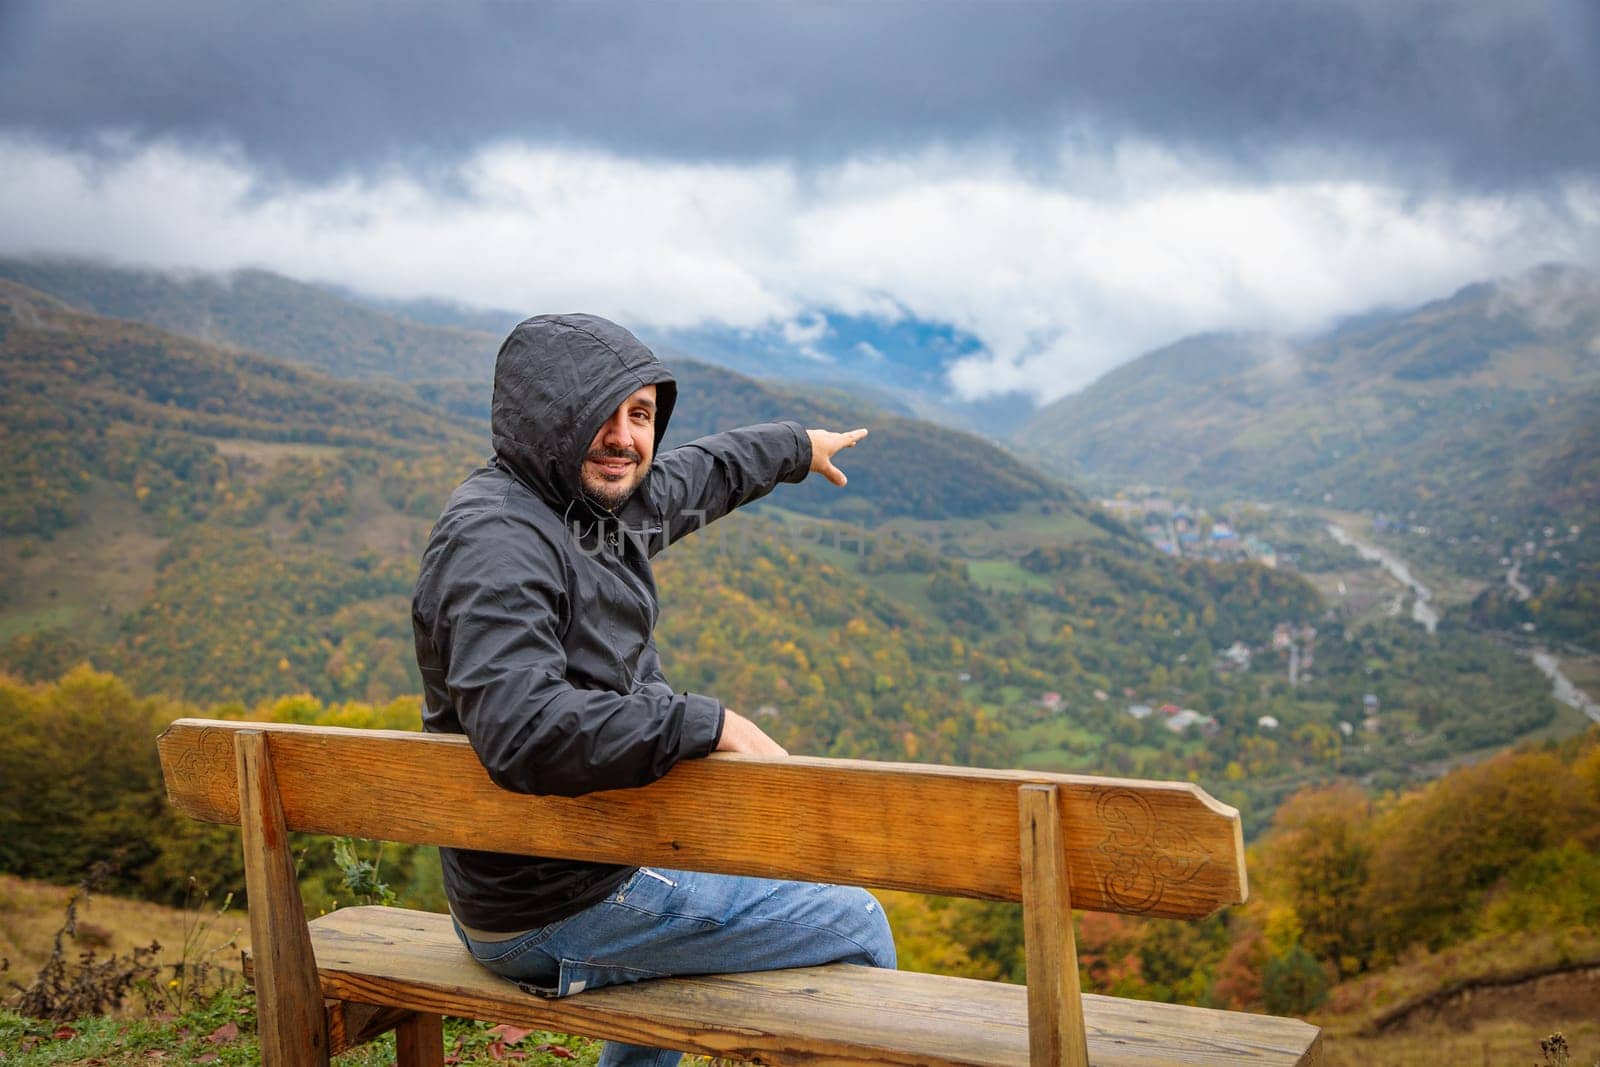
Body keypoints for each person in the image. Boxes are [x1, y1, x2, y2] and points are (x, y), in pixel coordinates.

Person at [411, 314, 896, 1067]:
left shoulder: (595, 508)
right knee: (856, 920)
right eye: (598, 413)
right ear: (546, 417)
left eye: (640, 414)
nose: (624, 438)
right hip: (551, 903)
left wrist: (801, 447)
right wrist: (704, 723)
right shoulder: (497, 542)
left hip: (576, 862)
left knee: (728, 880)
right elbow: (521, 727)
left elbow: (707, 472)